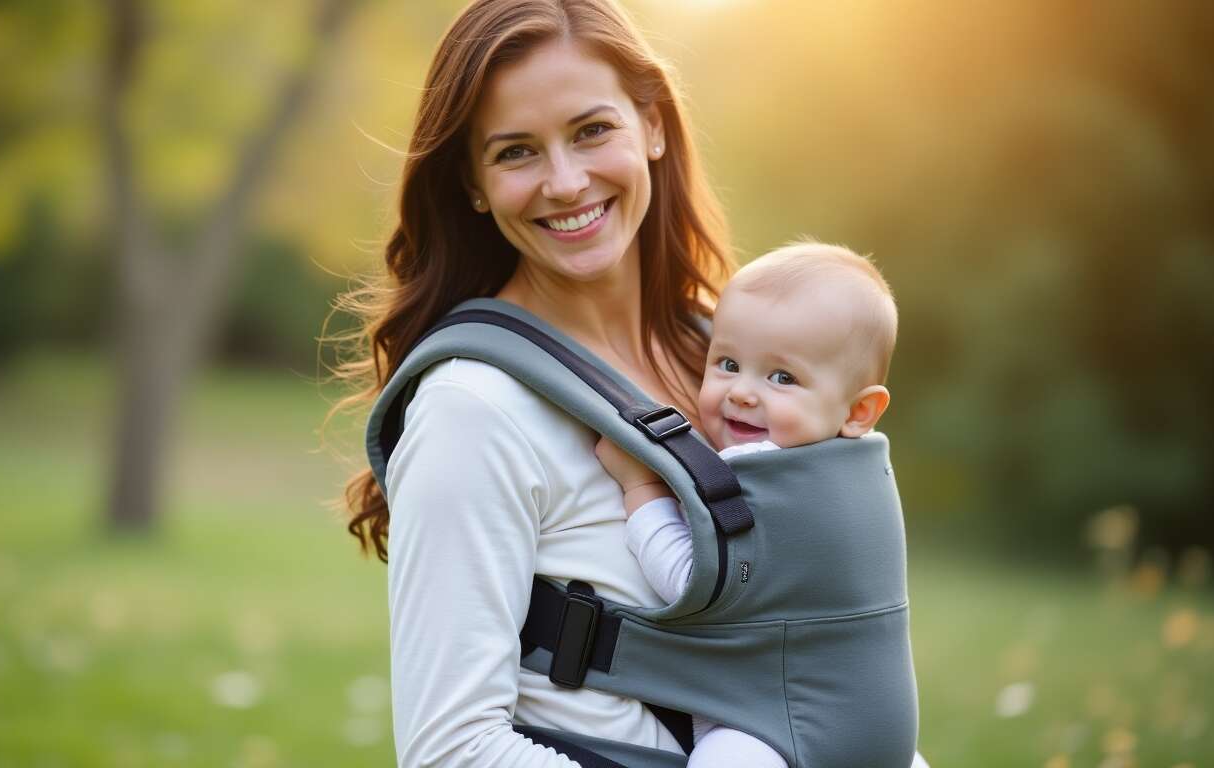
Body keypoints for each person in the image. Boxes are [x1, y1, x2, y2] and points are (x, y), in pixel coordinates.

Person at [339, 2, 929, 766]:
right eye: (517, 152)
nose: (565, 181)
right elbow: (452, 752)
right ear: (475, 184)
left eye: (591, 131)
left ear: (652, 126)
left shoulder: (722, 362)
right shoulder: (471, 411)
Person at [594, 241, 898, 767]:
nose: (742, 393)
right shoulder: (860, 472)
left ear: (859, 410)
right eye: (728, 363)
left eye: (783, 377)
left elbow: (693, 580)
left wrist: (639, 487)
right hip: (884, 729)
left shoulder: (764, 472)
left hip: (776, 725)